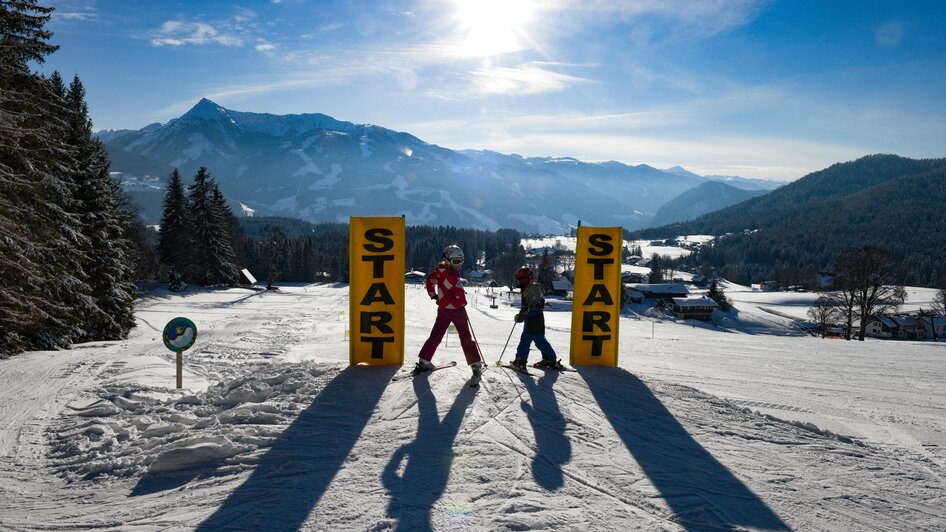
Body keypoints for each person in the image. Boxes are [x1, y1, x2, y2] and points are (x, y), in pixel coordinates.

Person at [416, 245, 485, 378]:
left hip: (443, 310)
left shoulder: (439, 272)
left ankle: (424, 360)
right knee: (465, 336)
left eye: (461, 261)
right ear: (448, 260)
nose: (459, 264)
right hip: (457, 310)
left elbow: (430, 280)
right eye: (455, 261)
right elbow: (459, 295)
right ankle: (475, 364)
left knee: (436, 334)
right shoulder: (453, 277)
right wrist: (463, 303)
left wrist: (433, 295)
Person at [510, 266, 562, 370]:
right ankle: (550, 359)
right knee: (540, 340)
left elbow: (529, 307)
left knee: (525, 340)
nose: (521, 282)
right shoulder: (534, 288)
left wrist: (521, 316)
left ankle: (520, 361)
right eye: (520, 280)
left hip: (532, 320)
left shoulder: (529, 290)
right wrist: (522, 314)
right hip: (539, 319)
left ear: (530, 278)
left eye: (524, 279)